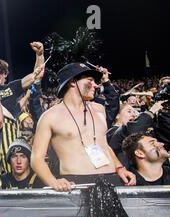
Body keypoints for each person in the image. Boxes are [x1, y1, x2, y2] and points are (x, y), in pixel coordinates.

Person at [31, 63, 136, 192]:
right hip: (77, 183)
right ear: (73, 82)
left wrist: (120, 168)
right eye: (90, 80)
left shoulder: (99, 109)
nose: (96, 85)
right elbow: (36, 158)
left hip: (110, 179)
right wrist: (53, 181)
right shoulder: (50, 116)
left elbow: (103, 144)